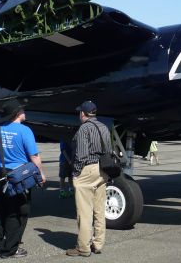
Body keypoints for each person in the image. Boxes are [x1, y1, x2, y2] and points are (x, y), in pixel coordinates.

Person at [0, 101, 46, 259]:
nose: (24, 111)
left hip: (0, 174)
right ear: (17, 113)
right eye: (22, 110)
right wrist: (41, 174)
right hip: (19, 177)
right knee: (18, 212)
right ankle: (10, 249)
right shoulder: (25, 131)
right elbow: (34, 156)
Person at [66, 100, 112, 257]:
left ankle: (83, 248)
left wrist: (76, 173)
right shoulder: (104, 127)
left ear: (83, 114)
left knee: (84, 211)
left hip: (88, 169)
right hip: (102, 169)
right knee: (99, 210)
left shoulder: (83, 129)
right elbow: (109, 149)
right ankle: (98, 244)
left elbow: (81, 155)